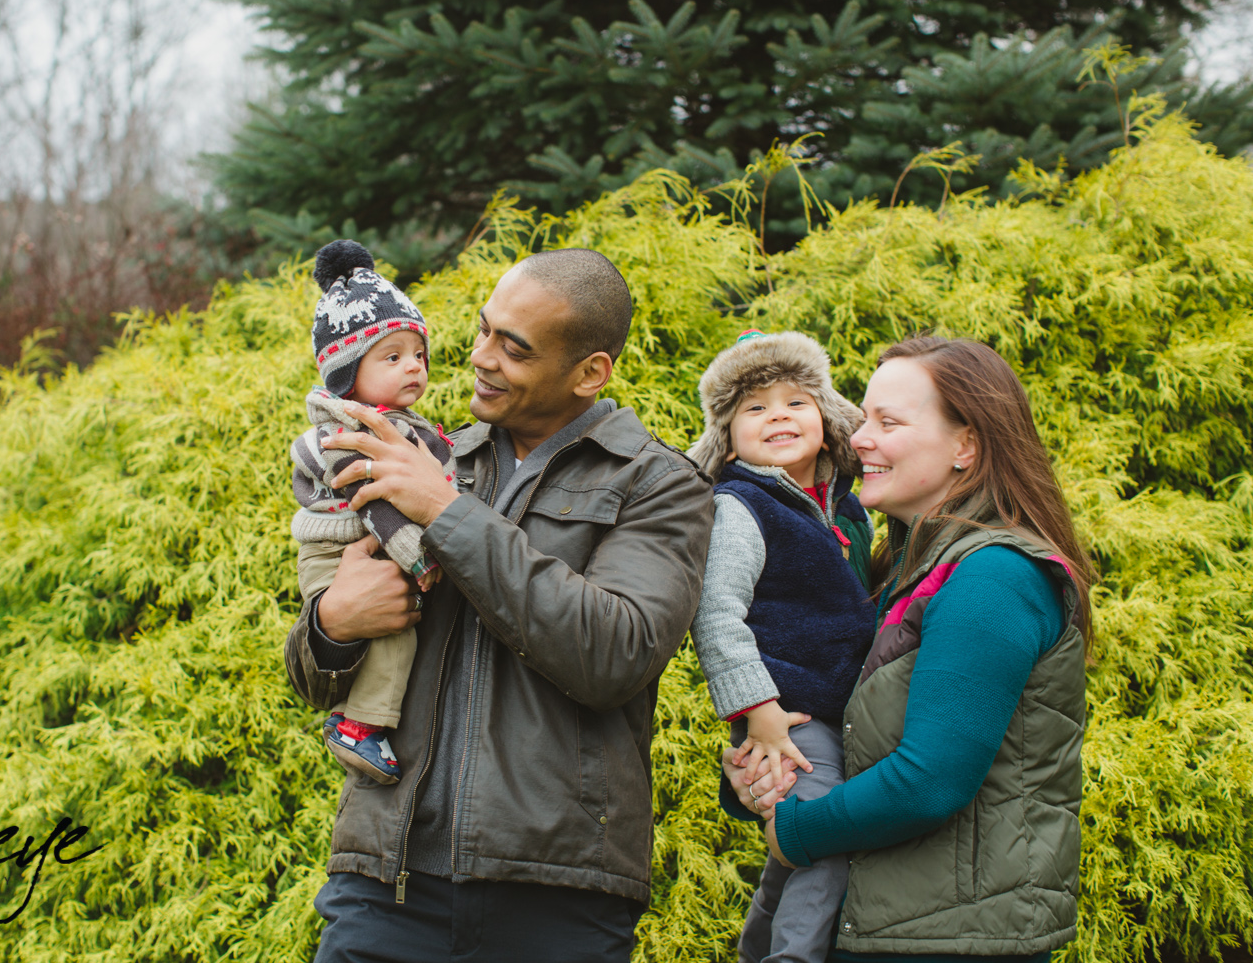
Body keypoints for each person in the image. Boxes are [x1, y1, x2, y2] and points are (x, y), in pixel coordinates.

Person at [283, 248, 715, 963]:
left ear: (589, 372)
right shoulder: (431, 454)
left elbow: (614, 653)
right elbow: (313, 680)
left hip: (557, 896)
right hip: (384, 884)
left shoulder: (660, 486)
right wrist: (333, 626)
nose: (480, 357)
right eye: (483, 331)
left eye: (512, 348)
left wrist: (445, 513)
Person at [733, 335, 1096, 962]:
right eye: (863, 417)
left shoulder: (994, 577)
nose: (858, 438)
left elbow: (930, 781)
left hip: (950, 940)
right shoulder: (904, 571)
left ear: (967, 445)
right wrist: (770, 770)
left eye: (887, 422)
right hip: (897, 925)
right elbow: (852, 738)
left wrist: (796, 829)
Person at [685, 329, 876, 963]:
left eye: (796, 402)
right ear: (726, 435)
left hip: (832, 708)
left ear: (826, 414)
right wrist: (757, 712)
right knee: (823, 842)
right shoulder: (741, 506)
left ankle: (756, 951)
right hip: (786, 710)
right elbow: (715, 615)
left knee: (789, 851)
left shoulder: (846, 509)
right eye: (755, 408)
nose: (779, 418)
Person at [289, 239, 455, 784]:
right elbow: (376, 500)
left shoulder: (400, 426)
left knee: (398, 623)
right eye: (392, 356)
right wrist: (418, 558)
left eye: (418, 355)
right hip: (338, 553)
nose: (413, 368)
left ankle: (364, 722)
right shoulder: (344, 435)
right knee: (394, 633)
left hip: (367, 547)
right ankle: (358, 726)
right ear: (345, 374)